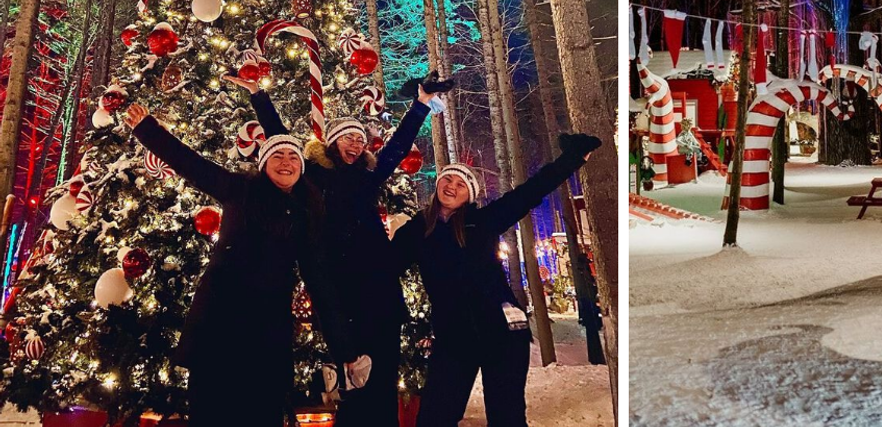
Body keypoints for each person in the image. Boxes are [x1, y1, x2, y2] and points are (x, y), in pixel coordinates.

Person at [223, 72, 453, 427]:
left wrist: (420, 104)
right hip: (341, 292)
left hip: (380, 288)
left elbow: (396, 146)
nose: (355, 144)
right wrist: (258, 94)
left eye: (360, 140)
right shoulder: (312, 174)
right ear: (331, 143)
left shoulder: (368, 177)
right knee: (354, 383)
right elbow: (278, 134)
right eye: (347, 137)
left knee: (383, 380)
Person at [123, 104, 369, 427]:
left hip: (267, 337)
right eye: (278, 157)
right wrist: (147, 129)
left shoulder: (306, 215)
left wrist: (345, 351)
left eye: (294, 157)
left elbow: (321, 285)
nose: (287, 163)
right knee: (212, 414)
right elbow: (191, 164)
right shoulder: (239, 190)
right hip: (219, 328)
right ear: (264, 164)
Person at [392, 132, 602, 427]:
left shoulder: (483, 222)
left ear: (470, 195)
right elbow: (384, 268)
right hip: (454, 337)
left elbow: (529, 192)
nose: (452, 187)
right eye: (447, 181)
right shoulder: (416, 231)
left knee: (507, 418)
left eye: (461, 184)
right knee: (435, 418)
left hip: (502, 333)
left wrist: (572, 158)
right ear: (438, 184)